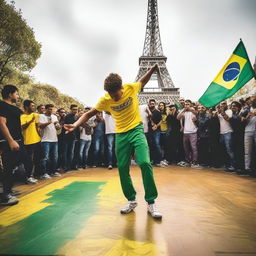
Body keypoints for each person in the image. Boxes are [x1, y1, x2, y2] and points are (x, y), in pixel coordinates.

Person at [64, 64, 162, 219]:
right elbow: (90, 113)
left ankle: (151, 202)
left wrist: (152, 69)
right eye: (110, 94)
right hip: (121, 134)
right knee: (122, 168)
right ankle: (131, 200)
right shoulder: (106, 99)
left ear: (121, 87)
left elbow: (143, 80)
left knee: (144, 163)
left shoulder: (131, 88)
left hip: (136, 130)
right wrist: (75, 125)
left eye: (115, 94)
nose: (113, 97)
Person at [0, 85, 23, 205]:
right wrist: (10, 140)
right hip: (8, 142)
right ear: (10, 94)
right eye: (17, 93)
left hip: (17, 140)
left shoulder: (12, 108)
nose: (18, 96)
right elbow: (2, 123)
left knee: (13, 166)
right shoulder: (2, 105)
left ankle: (8, 189)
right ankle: (5, 196)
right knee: (8, 167)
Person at [20, 100, 41, 183]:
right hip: (27, 142)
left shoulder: (35, 115)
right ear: (26, 107)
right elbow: (22, 128)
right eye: (32, 106)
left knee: (37, 159)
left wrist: (40, 136)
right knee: (29, 160)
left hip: (37, 140)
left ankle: (35, 175)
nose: (33, 107)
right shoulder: (22, 117)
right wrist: (29, 121)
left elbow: (37, 126)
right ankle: (29, 177)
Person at [39, 104, 61, 179]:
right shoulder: (41, 116)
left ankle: (53, 172)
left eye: (52, 109)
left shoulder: (54, 117)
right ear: (46, 109)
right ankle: (43, 173)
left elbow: (57, 126)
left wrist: (58, 126)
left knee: (55, 157)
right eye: (49, 109)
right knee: (45, 157)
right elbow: (40, 126)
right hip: (45, 140)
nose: (51, 111)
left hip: (54, 139)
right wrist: (48, 123)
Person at [177, 100, 200, 168]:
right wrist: (183, 110)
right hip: (185, 132)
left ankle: (195, 161)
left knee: (194, 147)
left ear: (190, 105)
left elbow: (196, 113)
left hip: (193, 132)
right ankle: (188, 161)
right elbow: (178, 117)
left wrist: (189, 108)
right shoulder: (184, 112)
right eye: (185, 104)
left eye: (188, 104)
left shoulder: (192, 110)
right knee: (186, 148)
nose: (186, 105)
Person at [62, 104, 78, 172]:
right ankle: (65, 167)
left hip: (73, 137)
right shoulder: (67, 116)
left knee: (71, 153)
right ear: (70, 109)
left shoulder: (76, 117)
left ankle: (70, 166)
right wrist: (70, 126)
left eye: (76, 109)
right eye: (74, 109)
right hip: (66, 137)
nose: (75, 111)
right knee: (65, 153)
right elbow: (64, 125)